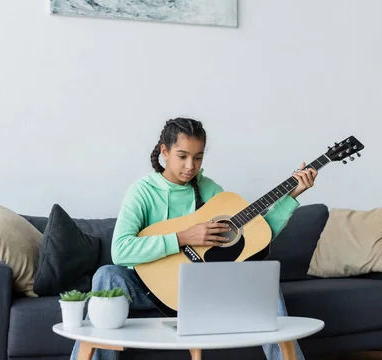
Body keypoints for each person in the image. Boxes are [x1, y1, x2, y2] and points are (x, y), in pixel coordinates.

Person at [70, 117, 318, 360]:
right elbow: (121, 251)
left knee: (263, 282)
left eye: (198, 157)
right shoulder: (142, 192)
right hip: (148, 287)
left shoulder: (211, 190)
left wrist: (292, 195)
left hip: (204, 289)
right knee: (106, 274)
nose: (190, 166)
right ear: (164, 152)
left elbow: (255, 237)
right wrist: (182, 237)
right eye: (183, 156)